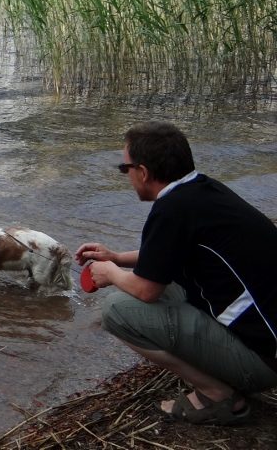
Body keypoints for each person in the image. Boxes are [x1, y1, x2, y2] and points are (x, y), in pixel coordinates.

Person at [76, 121, 277, 425]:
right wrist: (117, 257)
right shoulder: (201, 191)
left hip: (263, 361)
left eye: (124, 168)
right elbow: (169, 256)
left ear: (143, 172)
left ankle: (217, 396)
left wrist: (111, 273)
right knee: (160, 284)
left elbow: (147, 290)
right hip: (268, 340)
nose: (126, 175)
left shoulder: (171, 209)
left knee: (117, 310)